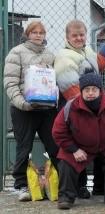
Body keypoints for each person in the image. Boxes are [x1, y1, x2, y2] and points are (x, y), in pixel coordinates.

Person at [52, 72, 105, 210]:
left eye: (94, 89)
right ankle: (66, 197)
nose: (90, 93)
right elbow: (58, 131)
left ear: (100, 90)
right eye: (86, 90)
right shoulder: (71, 106)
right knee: (66, 163)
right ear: (81, 91)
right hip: (80, 147)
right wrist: (74, 149)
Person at [54, 19, 105, 198]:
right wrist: (88, 106)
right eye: (74, 35)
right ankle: (78, 188)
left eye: (82, 34)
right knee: (76, 147)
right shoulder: (64, 57)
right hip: (76, 108)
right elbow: (71, 89)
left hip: (91, 105)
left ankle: (95, 187)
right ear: (67, 37)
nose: (79, 38)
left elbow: (99, 64)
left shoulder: (86, 51)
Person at [3, 21, 59, 201]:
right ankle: (21, 185)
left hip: (46, 109)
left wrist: (53, 98)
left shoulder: (50, 55)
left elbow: (53, 81)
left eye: (41, 32)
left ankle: (58, 182)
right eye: (34, 32)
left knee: (54, 146)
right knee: (23, 147)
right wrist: (23, 103)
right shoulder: (16, 52)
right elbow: (10, 83)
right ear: (27, 34)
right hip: (23, 109)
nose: (38, 35)